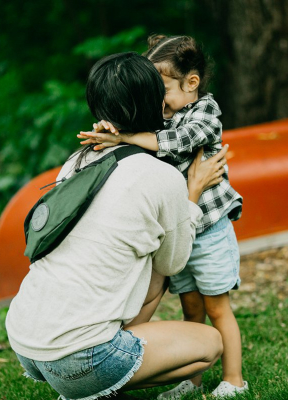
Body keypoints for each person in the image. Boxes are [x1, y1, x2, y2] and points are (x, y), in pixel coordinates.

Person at [5, 52, 227, 400]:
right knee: (210, 344)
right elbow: (173, 263)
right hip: (78, 358)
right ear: (156, 100)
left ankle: (89, 379)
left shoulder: (78, 159)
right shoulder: (162, 177)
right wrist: (191, 195)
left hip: (25, 341)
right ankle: (90, 384)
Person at [78, 35, 248, 399]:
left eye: (164, 88)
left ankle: (234, 378)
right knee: (191, 308)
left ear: (192, 83)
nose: (159, 100)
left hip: (209, 229)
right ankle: (194, 378)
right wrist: (115, 132)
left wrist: (129, 136)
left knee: (218, 308)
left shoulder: (205, 112)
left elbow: (176, 142)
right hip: (179, 230)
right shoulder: (166, 112)